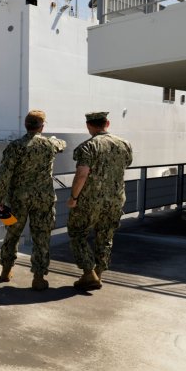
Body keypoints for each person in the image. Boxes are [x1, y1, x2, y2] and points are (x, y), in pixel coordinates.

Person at [0, 110, 66, 290]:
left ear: (26, 125)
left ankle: (6, 271)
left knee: (12, 234)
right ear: (42, 126)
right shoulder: (50, 145)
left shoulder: (15, 146)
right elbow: (62, 144)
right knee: (41, 236)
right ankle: (39, 277)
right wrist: (54, 139)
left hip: (18, 199)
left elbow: (4, 175)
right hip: (44, 198)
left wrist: (0, 198)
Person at [67, 111, 133, 290]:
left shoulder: (87, 147)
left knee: (77, 232)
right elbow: (126, 164)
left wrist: (73, 198)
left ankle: (89, 273)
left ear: (89, 126)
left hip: (90, 201)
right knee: (105, 236)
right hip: (115, 200)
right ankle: (99, 272)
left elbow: (82, 174)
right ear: (107, 123)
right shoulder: (124, 144)